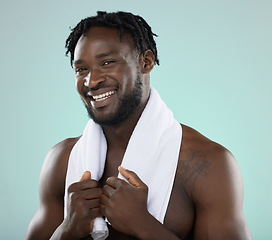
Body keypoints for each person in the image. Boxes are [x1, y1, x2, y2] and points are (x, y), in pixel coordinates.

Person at [25, 11, 252, 240]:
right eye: (81, 69)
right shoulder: (62, 160)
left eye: (107, 62)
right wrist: (67, 229)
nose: (91, 81)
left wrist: (143, 225)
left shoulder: (210, 164)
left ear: (146, 62)